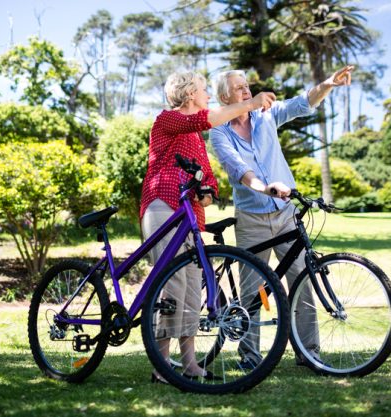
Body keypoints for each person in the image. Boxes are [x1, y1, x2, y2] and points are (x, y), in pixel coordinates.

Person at [209, 65, 354, 370]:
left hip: (285, 215)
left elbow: (302, 103)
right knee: (254, 289)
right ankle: (250, 358)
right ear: (225, 98)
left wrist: (328, 83)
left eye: (247, 86)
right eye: (239, 88)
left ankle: (309, 353)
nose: (247, 91)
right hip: (252, 218)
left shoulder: (266, 115)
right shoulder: (219, 133)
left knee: (301, 281)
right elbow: (237, 170)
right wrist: (266, 188)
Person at [140, 71, 276, 383]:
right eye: (204, 90)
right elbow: (206, 119)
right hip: (163, 205)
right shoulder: (169, 120)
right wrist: (250, 103)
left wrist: (207, 193)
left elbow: (210, 181)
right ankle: (161, 365)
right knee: (172, 285)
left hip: (190, 217)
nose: (208, 95)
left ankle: (189, 364)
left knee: (191, 291)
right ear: (189, 94)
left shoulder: (197, 140)